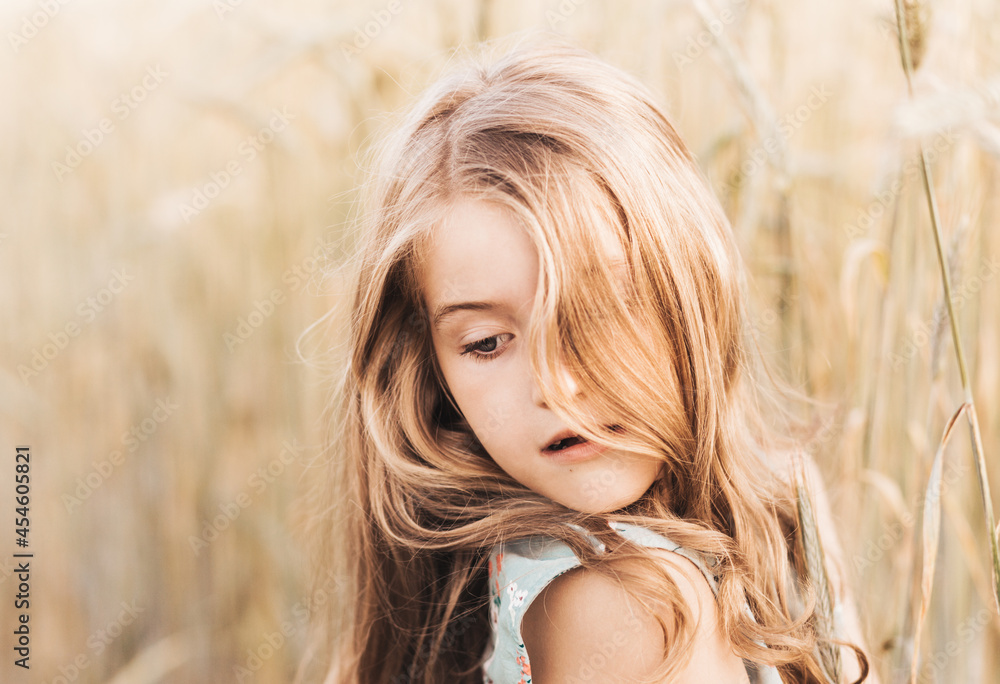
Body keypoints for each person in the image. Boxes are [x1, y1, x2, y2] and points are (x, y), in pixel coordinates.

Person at [300, 32, 875, 684]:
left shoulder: (778, 505)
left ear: (688, 291)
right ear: (431, 375)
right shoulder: (627, 603)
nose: (557, 384)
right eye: (487, 342)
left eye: (595, 313)